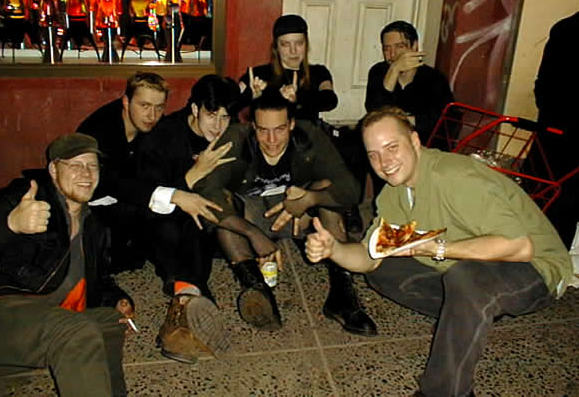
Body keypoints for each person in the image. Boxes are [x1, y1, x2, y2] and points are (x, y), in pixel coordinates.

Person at [305, 107, 573, 396]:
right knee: (385, 270)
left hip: (537, 269)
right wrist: (334, 249)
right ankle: (468, 315)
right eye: (373, 154)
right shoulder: (394, 194)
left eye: (392, 147)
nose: (384, 162)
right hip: (471, 269)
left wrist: (439, 249)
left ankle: (443, 391)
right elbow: (370, 259)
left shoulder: (455, 177)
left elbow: (520, 246)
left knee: (466, 277)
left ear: (416, 141)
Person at [194, 90, 377, 336]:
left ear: (291, 124)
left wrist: (310, 199)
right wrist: (252, 233)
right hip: (251, 213)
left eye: (280, 129)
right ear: (252, 126)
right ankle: (258, 290)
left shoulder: (309, 134)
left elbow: (350, 188)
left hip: (297, 216)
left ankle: (342, 295)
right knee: (222, 207)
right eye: (262, 130)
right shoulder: (237, 137)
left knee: (325, 187)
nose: (271, 139)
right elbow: (207, 191)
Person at [0, 133, 135, 397]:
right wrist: (10, 225)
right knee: (75, 332)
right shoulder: (24, 199)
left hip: (45, 318)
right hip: (1, 310)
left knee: (109, 321)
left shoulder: (95, 224)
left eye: (92, 166)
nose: (86, 173)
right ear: (54, 170)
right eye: (75, 165)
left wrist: (117, 298)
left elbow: (100, 281)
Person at [135, 74, 240, 363]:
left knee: (201, 218)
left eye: (225, 117)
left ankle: (183, 305)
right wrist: (195, 174)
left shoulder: (228, 133)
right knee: (179, 223)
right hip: (156, 225)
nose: (218, 126)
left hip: (203, 225)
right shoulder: (163, 137)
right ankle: (192, 298)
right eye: (210, 115)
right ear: (194, 109)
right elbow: (150, 202)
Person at [77, 71, 169, 273]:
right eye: (144, 106)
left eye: (159, 107)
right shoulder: (100, 130)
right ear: (126, 102)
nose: (152, 116)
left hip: (125, 195)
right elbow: (111, 182)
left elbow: (185, 122)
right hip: (91, 202)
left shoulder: (155, 122)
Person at [533, 8, 579, 249]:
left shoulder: (566, 26)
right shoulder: (571, 28)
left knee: (551, 200)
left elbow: (543, 87)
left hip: (553, 131)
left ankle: (551, 259)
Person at [365, 20, 454, 146]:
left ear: (414, 46)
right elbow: (375, 114)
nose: (392, 54)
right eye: (387, 49)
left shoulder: (433, 78)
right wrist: (394, 71)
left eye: (399, 47)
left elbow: (441, 124)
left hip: (423, 146)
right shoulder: (378, 71)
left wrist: (397, 120)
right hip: (386, 143)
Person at [238, 14, 338, 123]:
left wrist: (298, 98)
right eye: (285, 44)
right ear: (276, 47)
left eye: (299, 43)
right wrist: (249, 96)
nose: (293, 51)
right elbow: (229, 106)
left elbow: (330, 100)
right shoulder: (257, 75)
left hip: (306, 136)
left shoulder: (318, 72)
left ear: (306, 44)